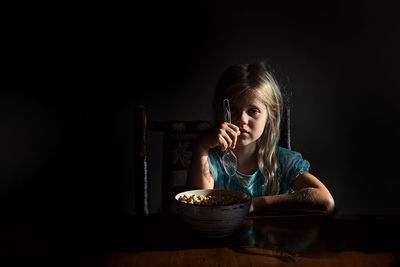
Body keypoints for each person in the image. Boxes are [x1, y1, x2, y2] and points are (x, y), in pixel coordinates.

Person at [186, 61, 335, 215]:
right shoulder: (210, 160)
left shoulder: (282, 161)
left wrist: (257, 204)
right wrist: (201, 146)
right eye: (232, 109)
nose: (241, 119)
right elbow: (197, 211)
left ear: (270, 116)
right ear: (218, 111)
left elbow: (325, 201)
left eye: (253, 111)